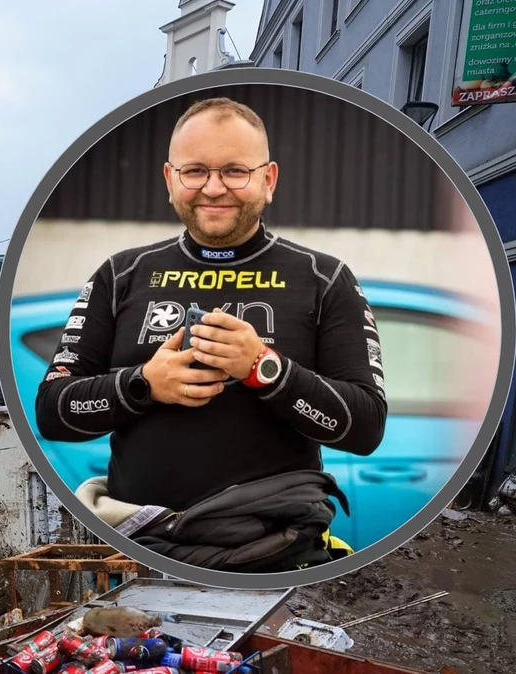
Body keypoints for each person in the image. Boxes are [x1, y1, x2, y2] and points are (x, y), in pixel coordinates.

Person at [34, 97, 388, 572]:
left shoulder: (324, 278)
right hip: (135, 548)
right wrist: (142, 385)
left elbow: (365, 427)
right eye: (195, 171)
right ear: (170, 180)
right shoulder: (121, 274)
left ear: (269, 180)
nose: (214, 188)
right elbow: (54, 411)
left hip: (277, 554)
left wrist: (265, 369)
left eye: (235, 171)